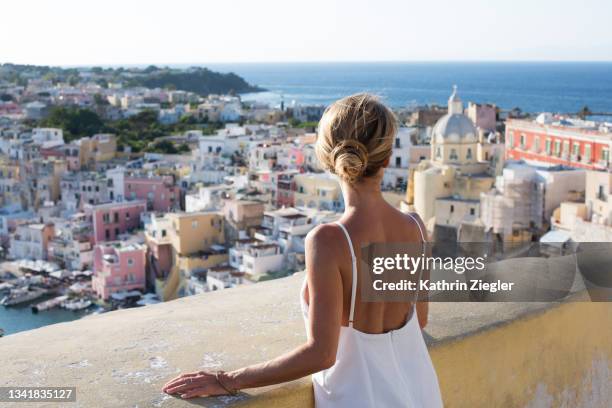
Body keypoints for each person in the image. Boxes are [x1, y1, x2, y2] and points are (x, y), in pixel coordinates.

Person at [163, 94, 443, 407]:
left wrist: (227, 380)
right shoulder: (416, 228)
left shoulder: (329, 240)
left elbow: (322, 354)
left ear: (326, 158)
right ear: (389, 156)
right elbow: (418, 321)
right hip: (419, 394)